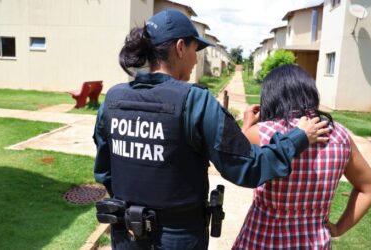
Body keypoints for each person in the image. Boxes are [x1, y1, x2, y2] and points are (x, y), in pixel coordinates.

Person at [93, 10, 329, 250]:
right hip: (179, 239)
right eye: (196, 50)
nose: (196, 60)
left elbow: (104, 172)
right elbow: (248, 167)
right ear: (180, 47)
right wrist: (299, 137)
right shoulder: (195, 101)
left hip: (126, 236)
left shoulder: (113, 99)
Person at [233, 64, 371, 249]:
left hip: (262, 240)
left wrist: (246, 126)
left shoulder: (260, 133)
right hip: (314, 242)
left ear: (271, 96)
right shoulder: (339, 136)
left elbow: (236, 163)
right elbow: (369, 187)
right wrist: (339, 228)